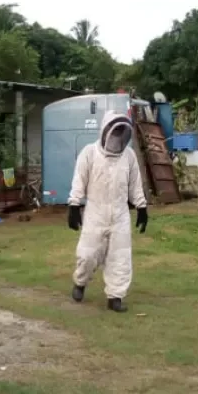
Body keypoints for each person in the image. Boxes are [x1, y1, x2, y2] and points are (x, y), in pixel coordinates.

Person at [67, 111, 148, 313]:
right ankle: (80, 282)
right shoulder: (89, 153)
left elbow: (135, 184)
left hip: (120, 213)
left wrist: (141, 206)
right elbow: (79, 180)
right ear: (105, 131)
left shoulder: (128, 156)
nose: (117, 136)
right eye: (115, 131)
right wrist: (74, 205)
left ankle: (116, 296)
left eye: (122, 132)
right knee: (87, 254)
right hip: (95, 211)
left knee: (120, 257)